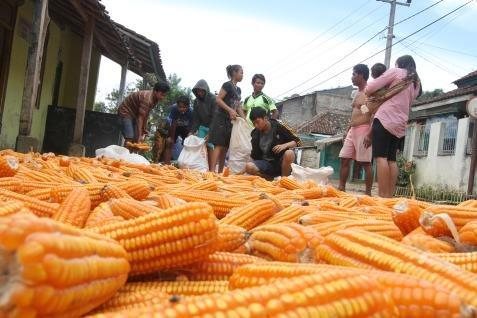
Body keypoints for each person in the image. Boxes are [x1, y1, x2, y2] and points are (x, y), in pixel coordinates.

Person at [364, 55, 422, 198]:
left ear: (399, 64)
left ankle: (382, 196)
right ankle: (389, 196)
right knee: (391, 159)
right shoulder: (416, 82)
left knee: (380, 158)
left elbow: (370, 88)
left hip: (385, 118)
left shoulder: (396, 71)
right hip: (400, 123)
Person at [338, 64, 373, 196]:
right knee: (344, 158)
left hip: (364, 129)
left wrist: (370, 134)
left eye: (354, 74)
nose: (352, 77)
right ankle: (341, 188)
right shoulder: (357, 92)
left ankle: (368, 193)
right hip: (353, 129)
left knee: (365, 162)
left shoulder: (369, 91)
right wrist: (347, 129)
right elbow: (355, 112)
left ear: (361, 75)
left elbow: (370, 113)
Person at [245, 107, 301, 179]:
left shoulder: (279, 126)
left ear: (265, 118)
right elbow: (254, 156)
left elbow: (298, 141)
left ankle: (284, 180)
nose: (256, 125)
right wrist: (246, 169)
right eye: (254, 123)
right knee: (249, 167)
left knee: (289, 153)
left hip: (282, 163)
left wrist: (284, 145)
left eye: (257, 122)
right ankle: (270, 179)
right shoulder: (255, 133)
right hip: (267, 164)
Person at [208, 65, 245, 172]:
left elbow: (238, 106)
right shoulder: (227, 85)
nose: (242, 75)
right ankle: (212, 172)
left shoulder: (239, 90)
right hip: (221, 119)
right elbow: (218, 99)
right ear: (234, 73)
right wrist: (229, 110)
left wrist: (244, 120)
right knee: (218, 145)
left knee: (225, 146)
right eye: (241, 72)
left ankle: (220, 172)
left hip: (230, 121)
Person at [190, 79, 217, 170]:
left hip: (213, 126)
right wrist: (192, 131)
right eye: (198, 91)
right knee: (202, 147)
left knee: (211, 147)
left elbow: (215, 118)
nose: (200, 93)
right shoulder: (196, 102)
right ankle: (203, 168)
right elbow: (196, 118)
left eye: (202, 91)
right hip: (202, 126)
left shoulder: (213, 99)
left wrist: (211, 133)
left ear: (206, 90)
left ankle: (212, 170)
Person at [163, 95, 192, 164]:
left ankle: (186, 165)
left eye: (184, 107)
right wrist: (172, 138)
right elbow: (173, 123)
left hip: (186, 128)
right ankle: (166, 165)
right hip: (175, 127)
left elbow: (191, 126)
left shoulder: (191, 112)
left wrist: (188, 136)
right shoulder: (174, 108)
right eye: (180, 107)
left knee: (188, 145)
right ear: (177, 105)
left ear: (188, 106)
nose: (181, 109)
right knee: (169, 142)